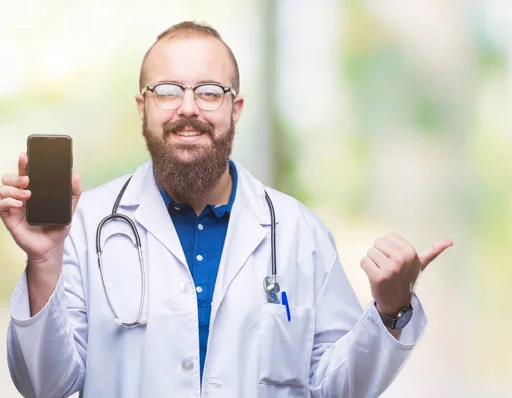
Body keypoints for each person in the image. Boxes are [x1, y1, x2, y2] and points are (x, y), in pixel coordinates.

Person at [0, 21, 452, 398]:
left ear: (236, 109)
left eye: (210, 92)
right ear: (143, 107)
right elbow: (45, 386)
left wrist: (390, 310)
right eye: (168, 91)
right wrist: (42, 261)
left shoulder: (296, 231)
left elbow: (337, 387)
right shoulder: (84, 227)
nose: (189, 109)